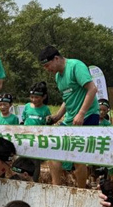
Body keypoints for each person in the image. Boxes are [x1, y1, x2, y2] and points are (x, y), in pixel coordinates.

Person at [41, 46, 101, 188]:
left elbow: (92, 89)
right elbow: (67, 98)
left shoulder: (76, 66)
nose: (47, 69)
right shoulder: (58, 76)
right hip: (70, 118)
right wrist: (57, 116)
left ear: (56, 59)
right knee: (53, 150)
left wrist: (82, 113)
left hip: (88, 115)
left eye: (47, 65)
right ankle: (56, 187)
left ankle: (81, 191)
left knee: (78, 157)